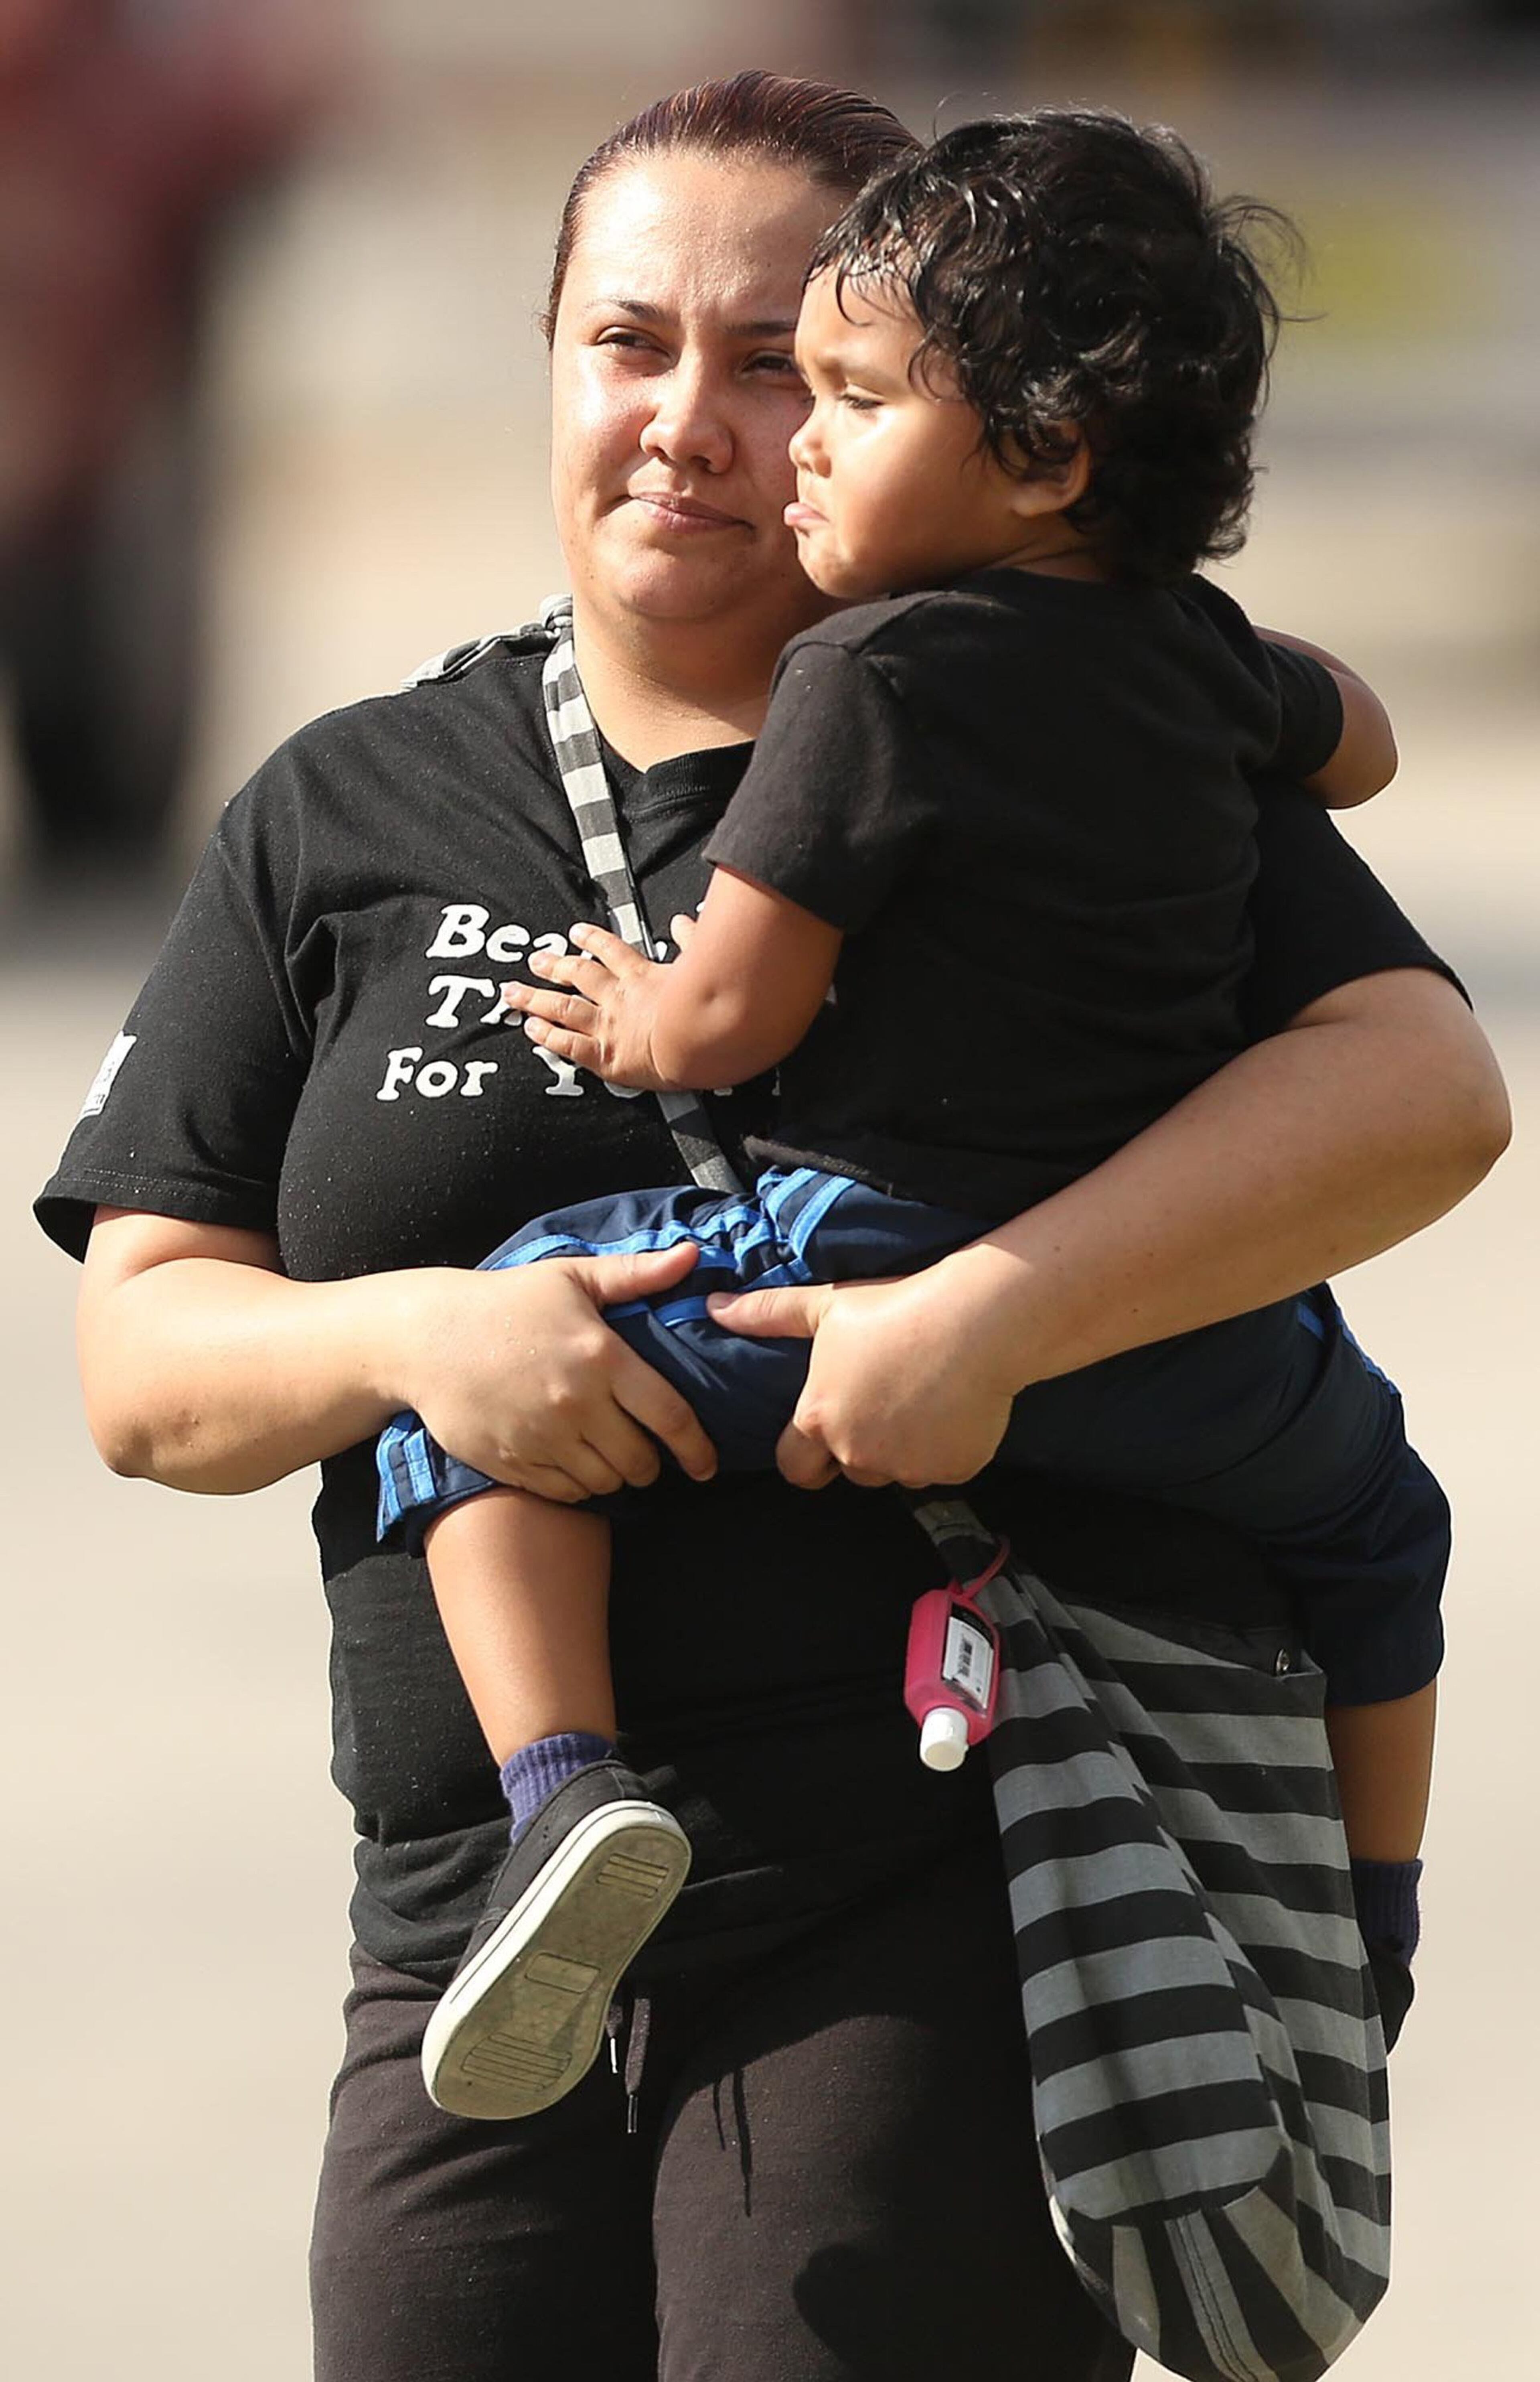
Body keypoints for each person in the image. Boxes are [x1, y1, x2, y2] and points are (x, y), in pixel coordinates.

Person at [36, 72, 1508, 2382]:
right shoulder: (344, 805)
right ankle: (563, 1802)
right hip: (468, 1943)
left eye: (780, 365)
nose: (702, 427)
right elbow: (147, 1375)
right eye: (630, 345)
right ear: (546, 366)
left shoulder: (1051, 734)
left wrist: (994, 1314)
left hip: (933, 1889)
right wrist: (431, 1344)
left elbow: (1420, 1088)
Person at [376, 112, 1443, 2124]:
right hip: (1170, 1322)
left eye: (845, 397)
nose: (797, 449)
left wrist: (630, 1016)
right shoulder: (1206, 660)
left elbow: (733, 1010)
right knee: (1388, 1520)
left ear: (1043, 458)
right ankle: (1371, 1919)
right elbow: (1365, 743)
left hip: (878, 1271)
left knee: (485, 1371)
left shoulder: (862, 678)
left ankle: (562, 1800)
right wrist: (1212, 661)